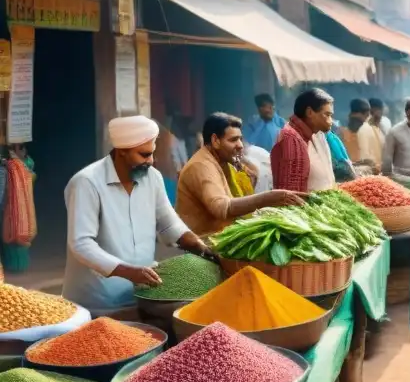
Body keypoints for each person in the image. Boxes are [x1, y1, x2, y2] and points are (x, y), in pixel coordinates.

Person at [63, 116, 214, 314]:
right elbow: (81, 244)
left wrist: (197, 245)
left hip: (142, 294)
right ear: (122, 152)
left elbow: (168, 224)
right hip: (97, 299)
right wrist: (128, 272)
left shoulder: (153, 178)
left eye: (152, 154)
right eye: (144, 155)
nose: (150, 161)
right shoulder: (87, 183)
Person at [176, 113, 305, 235]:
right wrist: (269, 198)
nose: (240, 145)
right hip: (202, 248)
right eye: (233, 140)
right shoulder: (202, 166)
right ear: (215, 140)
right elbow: (222, 207)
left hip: (220, 239)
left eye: (240, 139)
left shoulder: (223, 163)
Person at [271, 88, 337, 192]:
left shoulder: (318, 134)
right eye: (327, 115)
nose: (331, 121)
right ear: (310, 112)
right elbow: (291, 192)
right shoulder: (290, 138)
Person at [357, 98, 387, 170]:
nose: (381, 114)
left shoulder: (380, 128)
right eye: (381, 111)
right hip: (368, 171)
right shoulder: (363, 129)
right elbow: (363, 157)